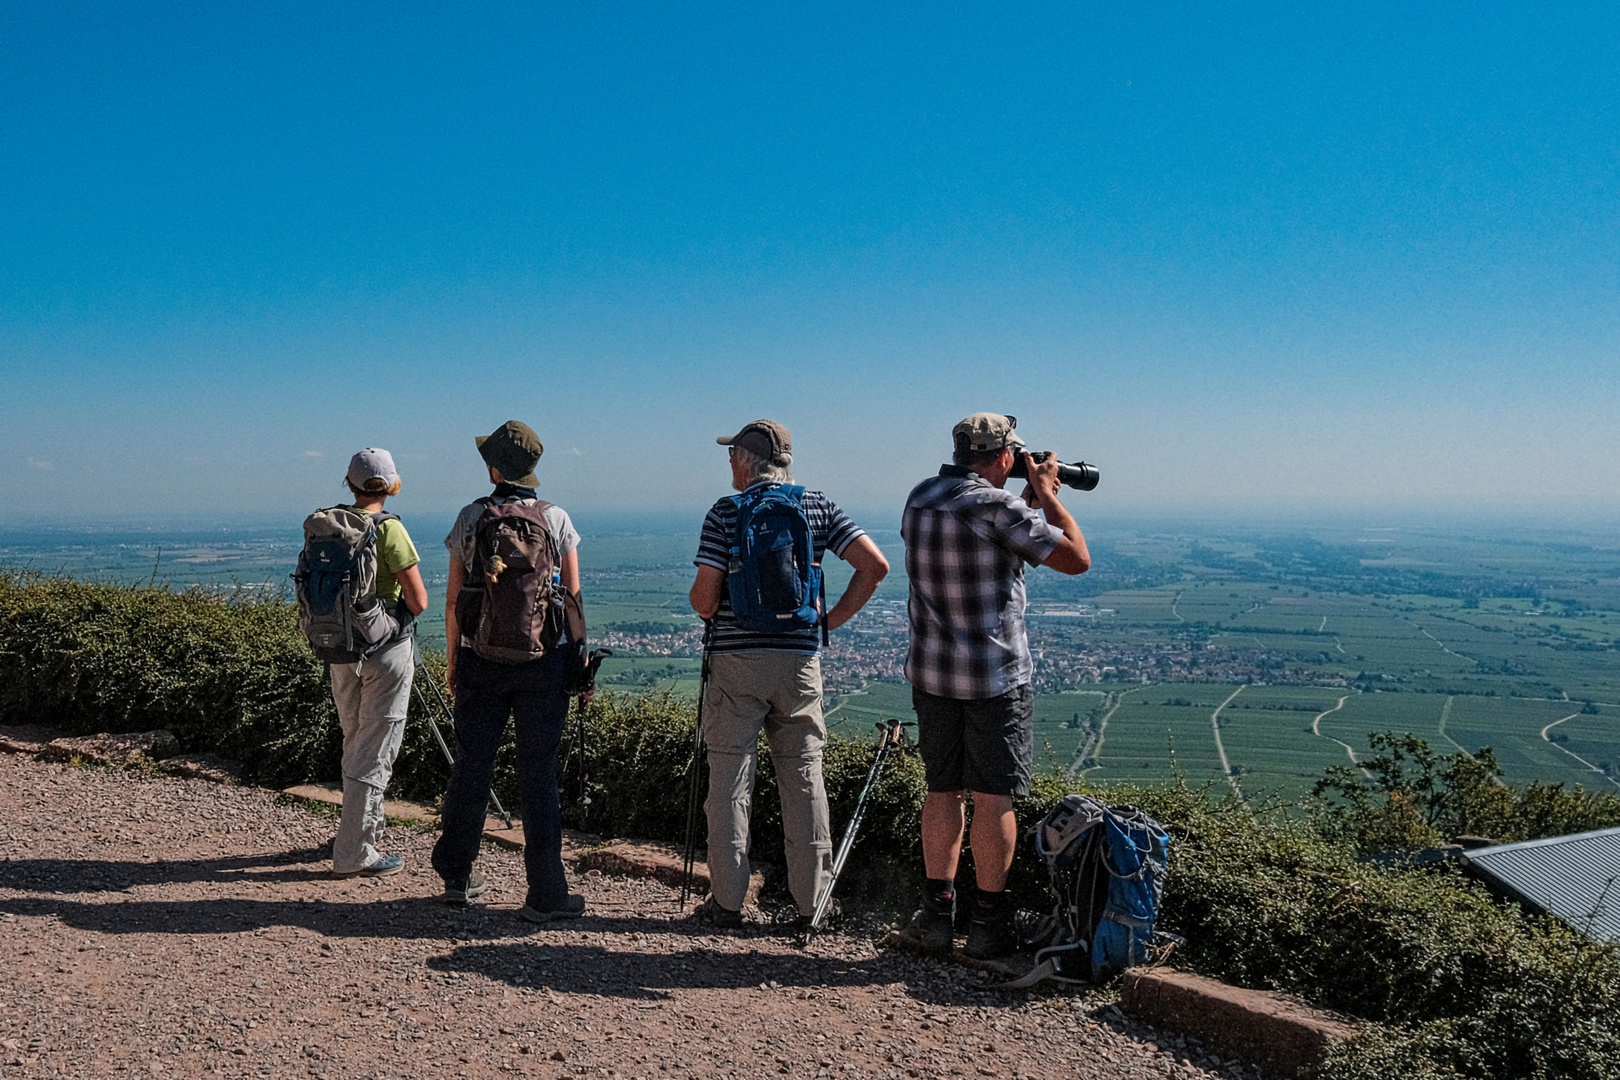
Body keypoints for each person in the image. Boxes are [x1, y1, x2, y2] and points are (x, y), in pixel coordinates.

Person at [902, 413, 1091, 958]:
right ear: (1005, 456)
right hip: (994, 679)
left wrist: (1022, 499)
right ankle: (987, 923)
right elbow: (1076, 559)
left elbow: (974, 527)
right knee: (993, 799)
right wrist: (1050, 496)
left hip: (933, 674)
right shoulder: (999, 506)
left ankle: (935, 915)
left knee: (941, 791)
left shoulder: (921, 496)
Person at [688, 419, 890, 927]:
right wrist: (828, 620)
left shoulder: (726, 512)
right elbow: (875, 565)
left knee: (730, 779)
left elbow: (706, 600)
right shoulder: (817, 505)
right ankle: (813, 904)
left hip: (737, 665)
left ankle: (727, 902)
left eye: (731, 455)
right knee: (804, 779)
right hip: (799, 663)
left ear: (742, 461)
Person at [432, 420, 590, 923]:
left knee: (472, 764)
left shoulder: (469, 517)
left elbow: (456, 600)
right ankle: (546, 893)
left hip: (481, 660)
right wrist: (580, 667)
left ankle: (457, 875)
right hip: (543, 664)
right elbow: (572, 600)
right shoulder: (556, 518)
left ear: (494, 468)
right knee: (538, 774)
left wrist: (455, 659)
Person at [328, 448, 429, 879]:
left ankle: (360, 829)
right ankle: (353, 852)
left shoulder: (332, 525)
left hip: (338, 648)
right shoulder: (389, 530)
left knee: (356, 740)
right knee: (375, 751)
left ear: (350, 484)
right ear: (391, 485)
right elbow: (418, 601)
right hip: (384, 652)